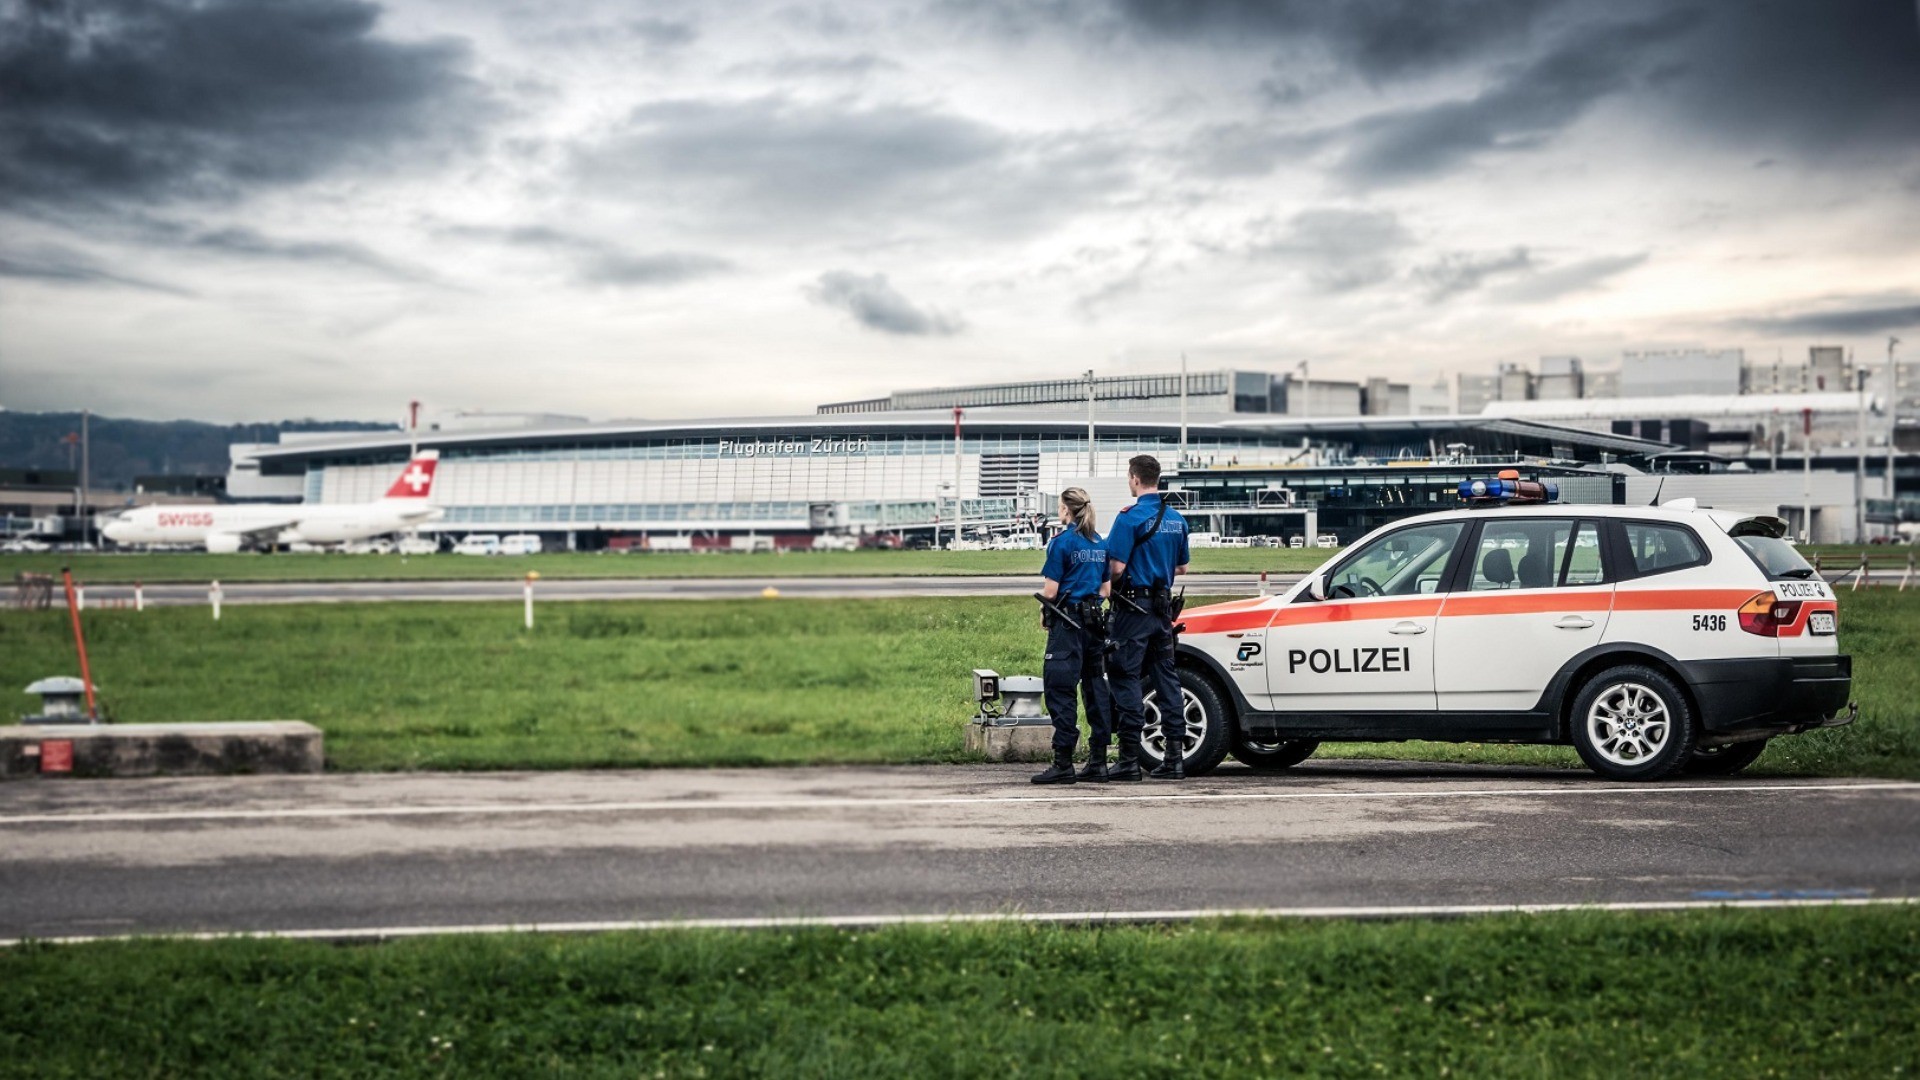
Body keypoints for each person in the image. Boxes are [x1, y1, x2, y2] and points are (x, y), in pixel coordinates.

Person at [1105, 455, 1191, 781]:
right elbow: (1181, 567)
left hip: (1133, 609)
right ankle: (1174, 758)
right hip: (1162, 610)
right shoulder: (1176, 519)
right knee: (1166, 678)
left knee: (1124, 676)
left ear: (1135, 479)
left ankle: (1128, 758)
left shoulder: (1129, 518)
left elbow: (1116, 568)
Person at [1030, 488, 1114, 785]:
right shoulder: (1100, 543)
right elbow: (1106, 591)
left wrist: (1044, 612)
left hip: (1068, 625)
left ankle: (1063, 762)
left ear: (1066, 510)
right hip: (1095, 624)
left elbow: (1051, 592)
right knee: (1095, 690)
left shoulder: (1061, 542)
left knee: (1061, 690)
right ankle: (1099, 761)